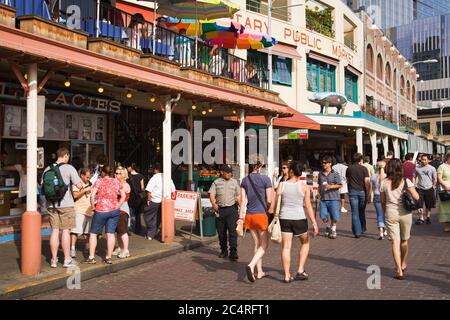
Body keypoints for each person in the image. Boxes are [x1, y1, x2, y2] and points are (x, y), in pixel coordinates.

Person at [275, 161, 318, 283]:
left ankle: (287, 275)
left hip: (284, 218)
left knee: (286, 247)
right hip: (299, 218)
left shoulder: (282, 185)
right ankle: (300, 270)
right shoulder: (304, 187)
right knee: (305, 242)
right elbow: (308, 206)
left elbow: (275, 203)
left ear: (291, 171)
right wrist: (314, 223)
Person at [380, 159, 419, 280]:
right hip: (405, 213)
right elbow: (416, 197)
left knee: (394, 242)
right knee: (404, 240)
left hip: (391, 213)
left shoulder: (384, 182)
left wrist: (385, 210)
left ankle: (398, 270)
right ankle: (403, 263)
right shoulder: (406, 181)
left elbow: (382, 201)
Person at [43, 147, 83, 268]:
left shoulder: (48, 168)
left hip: (51, 205)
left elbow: (43, 187)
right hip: (66, 205)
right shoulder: (69, 168)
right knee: (65, 231)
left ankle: (54, 260)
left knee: (54, 231)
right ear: (66, 155)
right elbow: (79, 185)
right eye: (68, 156)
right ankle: (67, 259)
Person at [239, 158, 273, 282]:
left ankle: (259, 272)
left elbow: (242, 201)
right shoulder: (266, 179)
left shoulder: (244, 180)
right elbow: (269, 200)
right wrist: (268, 208)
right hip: (260, 215)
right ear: (261, 166)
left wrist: (240, 218)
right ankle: (251, 265)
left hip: (249, 215)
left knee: (256, 244)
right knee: (264, 244)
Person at [86, 165, 126, 264]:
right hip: (114, 210)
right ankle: (108, 257)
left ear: (103, 172)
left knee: (93, 233)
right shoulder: (116, 181)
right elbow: (123, 196)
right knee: (110, 234)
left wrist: (93, 206)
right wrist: (118, 205)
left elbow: (92, 195)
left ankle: (91, 257)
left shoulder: (99, 181)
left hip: (101, 210)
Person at [209, 164, 241, 261]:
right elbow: (212, 194)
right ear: (222, 172)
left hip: (232, 209)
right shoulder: (216, 182)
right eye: (227, 172)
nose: (229, 174)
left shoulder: (234, 182)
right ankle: (224, 250)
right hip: (220, 210)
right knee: (221, 232)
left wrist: (241, 208)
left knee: (232, 232)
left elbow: (238, 196)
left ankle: (233, 252)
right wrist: (214, 204)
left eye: (230, 172)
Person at [143, 162, 176, 240]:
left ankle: (151, 232)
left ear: (155, 169)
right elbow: (173, 191)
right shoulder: (168, 178)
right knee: (158, 217)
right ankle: (152, 233)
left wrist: (148, 199)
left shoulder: (154, 178)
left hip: (154, 201)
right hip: (165, 202)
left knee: (148, 216)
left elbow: (149, 190)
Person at [70, 168, 93, 258]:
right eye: (87, 177)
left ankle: (87, 247)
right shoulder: (77, 184)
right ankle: (72, 248)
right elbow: (75, 195)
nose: (88, 178)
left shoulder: (90, 183)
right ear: (82, 175)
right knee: (75, 231)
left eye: (89, 177)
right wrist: (84, 190)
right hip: (79, 209)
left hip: (89, 210)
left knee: (88, 232)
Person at [346, 153, 371, 238]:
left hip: (352, 191)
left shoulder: (349, 168)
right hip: (362, 192)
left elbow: (347, 180)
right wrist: (368, 193)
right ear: (361, 159)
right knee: (361, 211)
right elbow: (367, 182)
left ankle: (357, 232)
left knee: (354, 212)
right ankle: (362, 227)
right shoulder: (364, 169)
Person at [318, 155, 342, 239]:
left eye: (325, 163)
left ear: (330, 163)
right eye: (322, 163)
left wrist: (331, 187)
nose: (323, 164)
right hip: (323, 198)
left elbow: (339, 185)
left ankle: (333, 229)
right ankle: (328, 226)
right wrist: (318, 193)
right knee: (323, 215)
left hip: (333, 198)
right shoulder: (320, 174)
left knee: (334, 216)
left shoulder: (335, 174)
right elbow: (319, 185)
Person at [113, 166, 131, 258]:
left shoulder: (125, 185)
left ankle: (126, 250)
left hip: (123, 211)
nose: (116, 175)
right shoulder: (118, 183)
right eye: (116, 173)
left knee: (123, 231)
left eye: (119, 173)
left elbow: (119, 194)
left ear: (123, 175)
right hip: (116, 210)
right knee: (118, 232)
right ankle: (120, 248)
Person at [413, 154, 437, 225]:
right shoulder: (417, 168)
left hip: (429, 188)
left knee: (428, 205)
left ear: (428, 160)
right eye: (422, 159)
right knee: (419, 204)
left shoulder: (432, 168)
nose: (423, 161)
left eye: (425, 159)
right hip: (420, 188)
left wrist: (434, 186)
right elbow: (414, 176)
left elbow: (435, 178)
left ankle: (428, 217)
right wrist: (414, 185)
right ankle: (421, 218)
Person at [369, 161, 387, 240]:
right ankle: (385, 228)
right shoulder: (386, 176)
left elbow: (372, 188)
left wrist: (369, 196)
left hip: (377, 196)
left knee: (379, 214)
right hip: (386, 197)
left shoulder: (373, 176)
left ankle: (381, 231)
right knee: (386, 214)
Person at [127, 163, 145, 235]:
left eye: (128, 166)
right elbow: (142, 187)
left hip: (130, 197)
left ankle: (128, 228)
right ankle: (138, 230)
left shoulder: (128, 177)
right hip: (138, 197)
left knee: (129, 213)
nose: (127, 168)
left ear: (131, 167)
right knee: (138, 214)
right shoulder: (140, 176)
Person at [437, 153, 450, 232]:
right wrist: (445, 185)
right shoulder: (442, 166)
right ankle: (447, 225)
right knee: (446, 207)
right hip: (446, 190)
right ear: (448, 158)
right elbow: (439, 178)